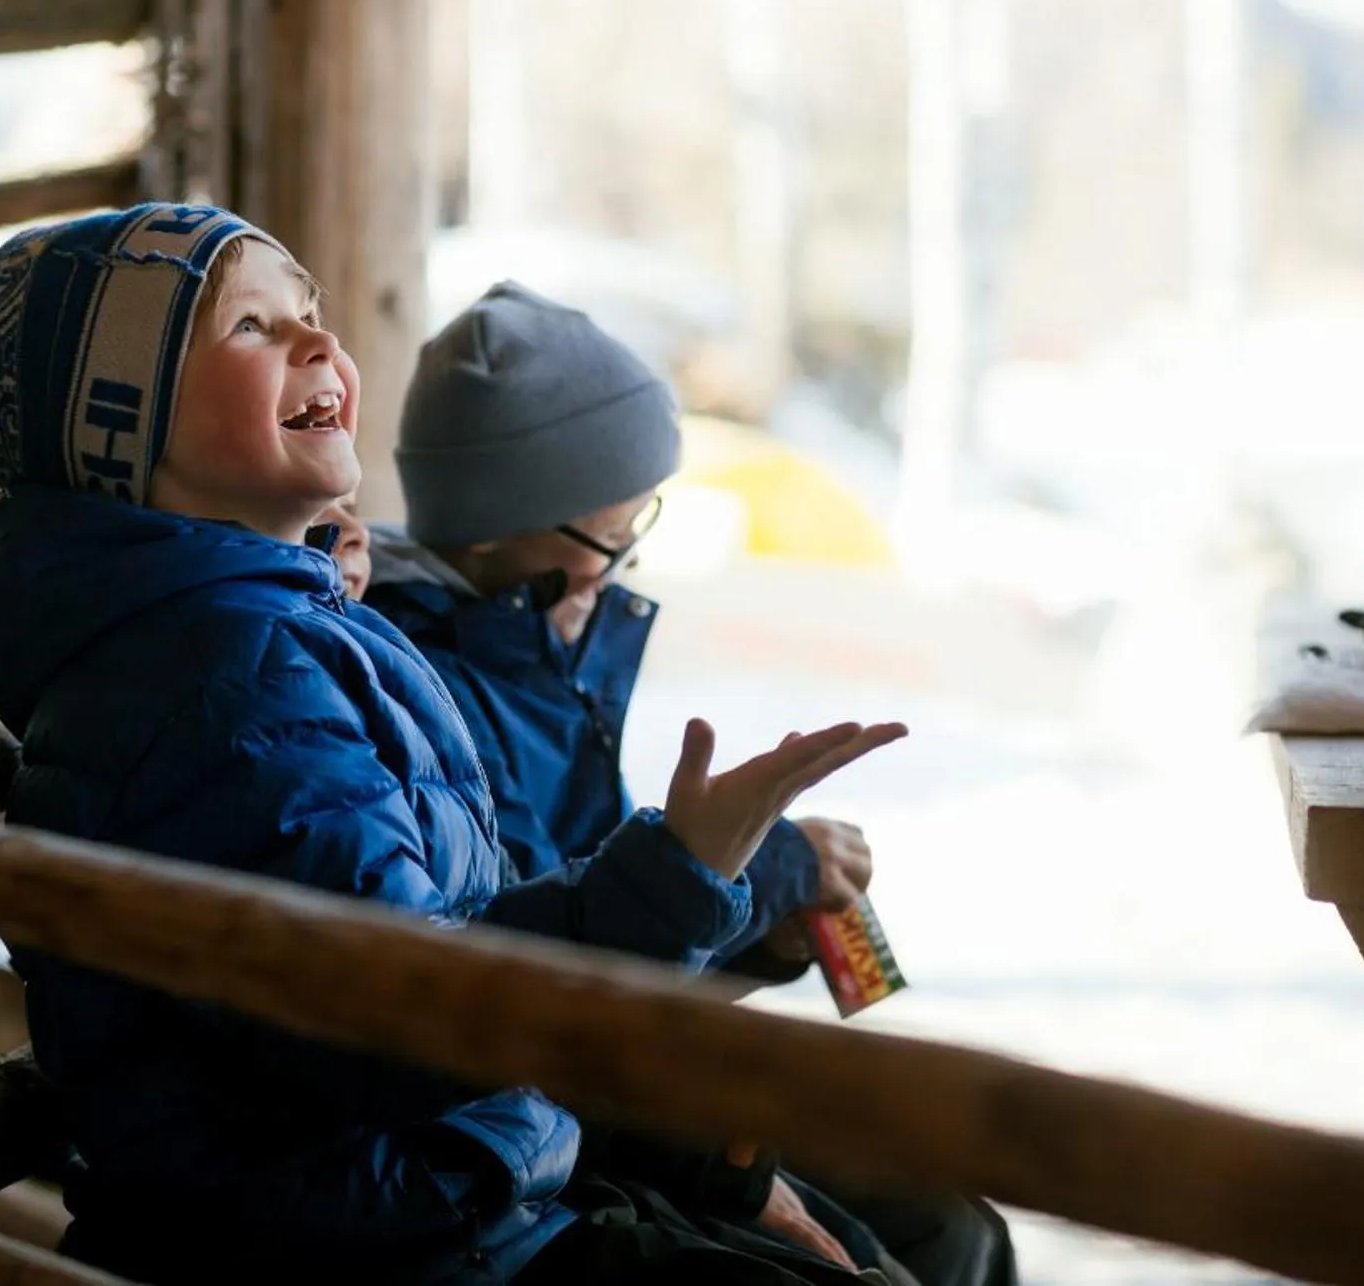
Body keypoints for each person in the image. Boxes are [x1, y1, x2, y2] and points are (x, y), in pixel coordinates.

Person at [0, 206, 904, 1285]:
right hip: (387, 1239)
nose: (317, 343)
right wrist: (687, 870)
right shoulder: (221, 684)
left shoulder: (271, 634)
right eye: (251, 327)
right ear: (122, 430)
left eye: (310, 313)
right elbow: (384, 1015)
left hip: (450, 1193)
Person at [367, 282, 1017, 1286]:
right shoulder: (438, 685)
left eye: (641, 525)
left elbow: (611, 928)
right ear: (492, 521)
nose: (625, 559)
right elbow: (544, 981)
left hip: (611, 1098)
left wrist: (756, 923)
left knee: (953, 1222)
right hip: (546, 1142)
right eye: (604, 539)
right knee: (912, 1249)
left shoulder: (537, 649)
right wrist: (756, 882)